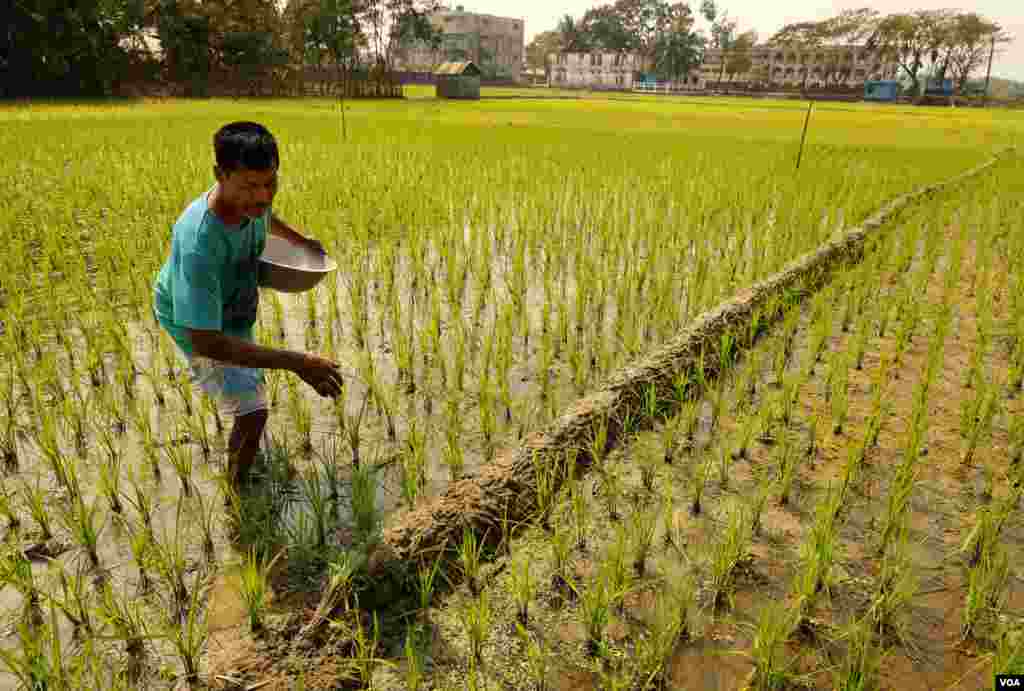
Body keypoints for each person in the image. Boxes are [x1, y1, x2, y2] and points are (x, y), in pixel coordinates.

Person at [153, 121, 344, 489]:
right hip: (194, 319)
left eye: (270, 183)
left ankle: (244, 434)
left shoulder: (253, 206)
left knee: (247, 378)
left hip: (231, 301)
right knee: (253, 413)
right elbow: (205, 340)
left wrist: (301, 241)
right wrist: (300, 363)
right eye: (249, 187)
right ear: (220, 176)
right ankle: (237, 493)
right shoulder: (199, 244)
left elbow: (266, 216)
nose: (262, 196)